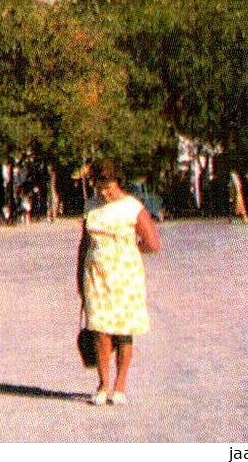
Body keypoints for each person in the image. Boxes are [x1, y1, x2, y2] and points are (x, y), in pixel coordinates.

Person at [78, 159, 162, 406]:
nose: (103, 191)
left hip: (126, 276)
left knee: (124, 331)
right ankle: (103, 384)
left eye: (107, 186)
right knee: (99, 330)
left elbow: (152, 243)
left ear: (117, 182)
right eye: (98, 186)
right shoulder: (91, 206)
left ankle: (120, 386)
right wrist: (79, 280)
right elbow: (84, 246)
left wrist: (127, 247)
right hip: (96, 275)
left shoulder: (132, 207)